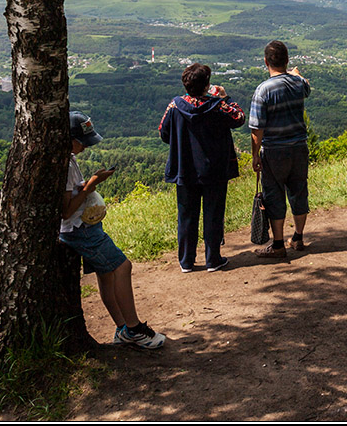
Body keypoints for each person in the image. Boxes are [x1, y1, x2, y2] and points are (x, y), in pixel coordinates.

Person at [59, 110, 165, 349]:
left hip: (81, 226)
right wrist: (91, 186)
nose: (85, 147)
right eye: (81, 142)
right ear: (68, 138)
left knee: (106, 275)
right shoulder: (64, 164)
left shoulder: (69, 159)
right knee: (123, 266)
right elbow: (65, 210)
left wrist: (90, 183)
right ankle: (135, 328)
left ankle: (122, 328)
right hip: (79, 229)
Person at [158, 63, 246, 272]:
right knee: (213, 213)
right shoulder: (217, 106)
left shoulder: (175, 106)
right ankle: (212, 259)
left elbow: (163, 132)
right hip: (214, 169)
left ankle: (186, 261)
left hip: (185, 168)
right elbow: (239, 118)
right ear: (207, 85)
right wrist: (226, 98)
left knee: (186, 215)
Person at [249, 40, 312, 259]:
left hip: (274, 151)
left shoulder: (263, 90)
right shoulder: (297, 83)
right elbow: (306, 86)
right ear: (286, 61)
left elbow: (257, 129)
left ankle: (278, 244)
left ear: (266, 62)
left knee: (274, 194)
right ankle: (298, 237)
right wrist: (297, 74)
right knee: (298, 190)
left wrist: (255, 155)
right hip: (299, 147)